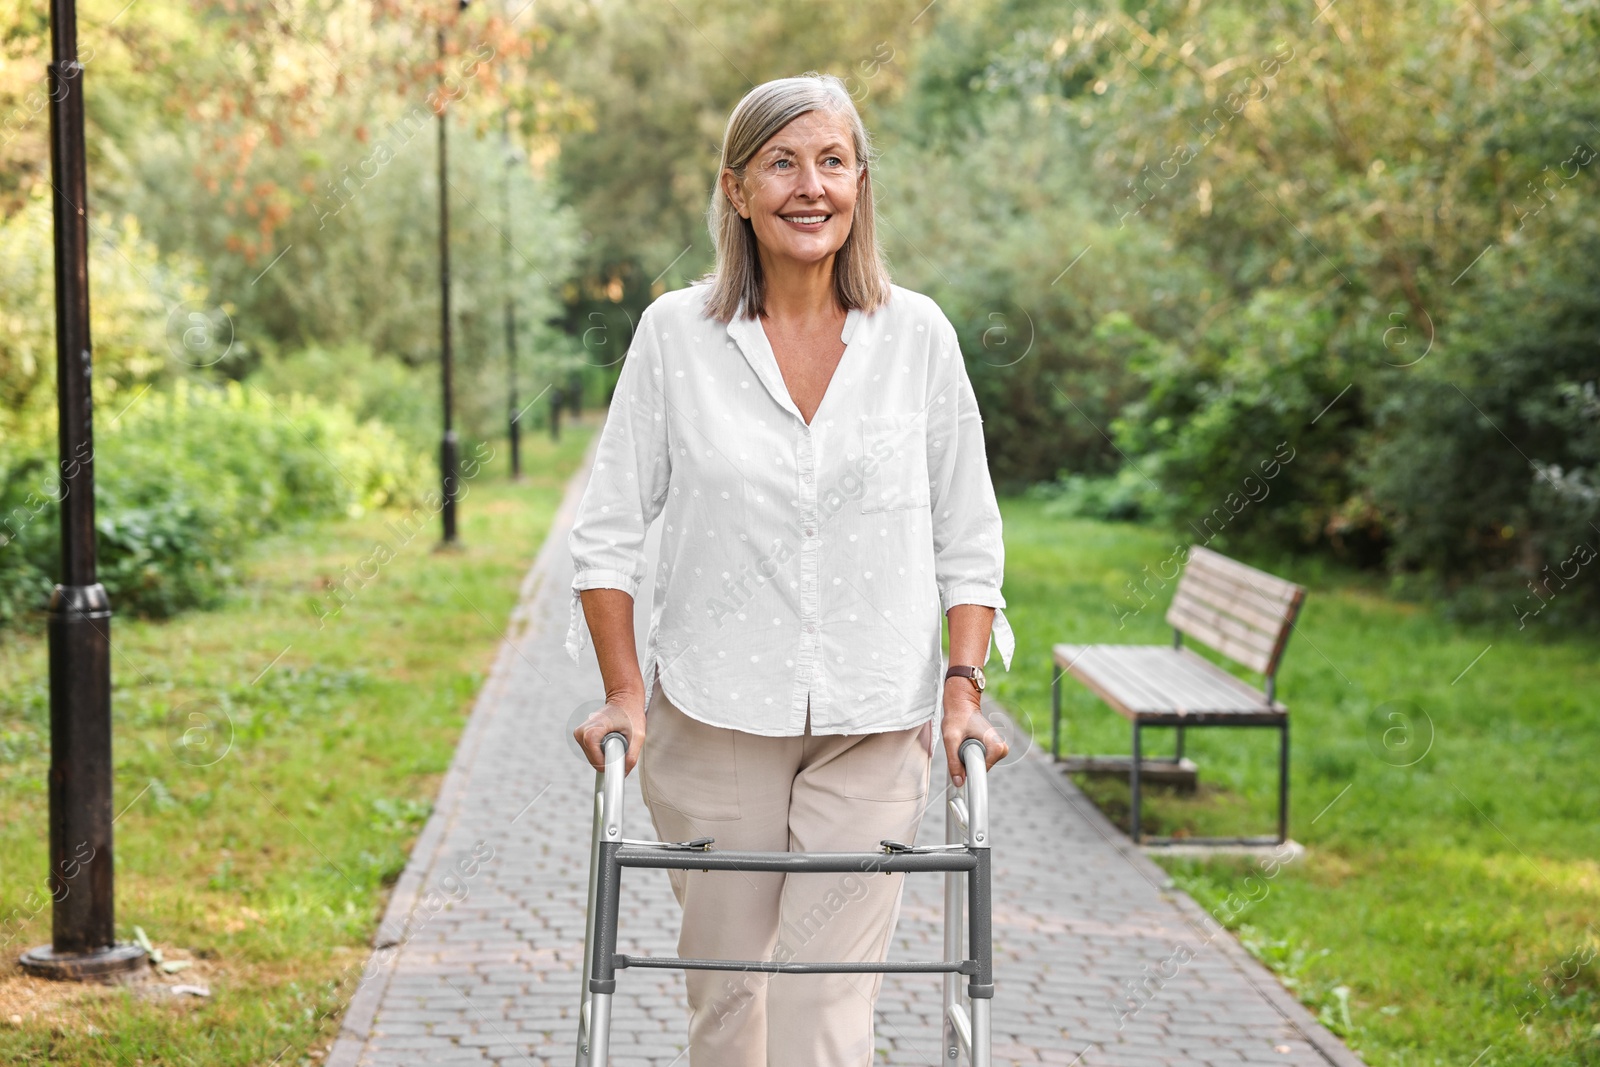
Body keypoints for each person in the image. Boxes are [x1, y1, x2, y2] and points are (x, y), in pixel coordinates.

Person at [565, 71, 1013, 1067]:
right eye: (781, 162)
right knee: (730, 1010)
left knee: (824, 1009)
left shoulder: (918, 338)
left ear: (860, 183)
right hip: (715, 716)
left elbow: (967, 533)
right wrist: (625, 692)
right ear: (735, 188)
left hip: (873, 719)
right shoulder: (676, 336)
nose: (808, 187)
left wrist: (961, 685)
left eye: (832, 161)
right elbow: (605, 532)